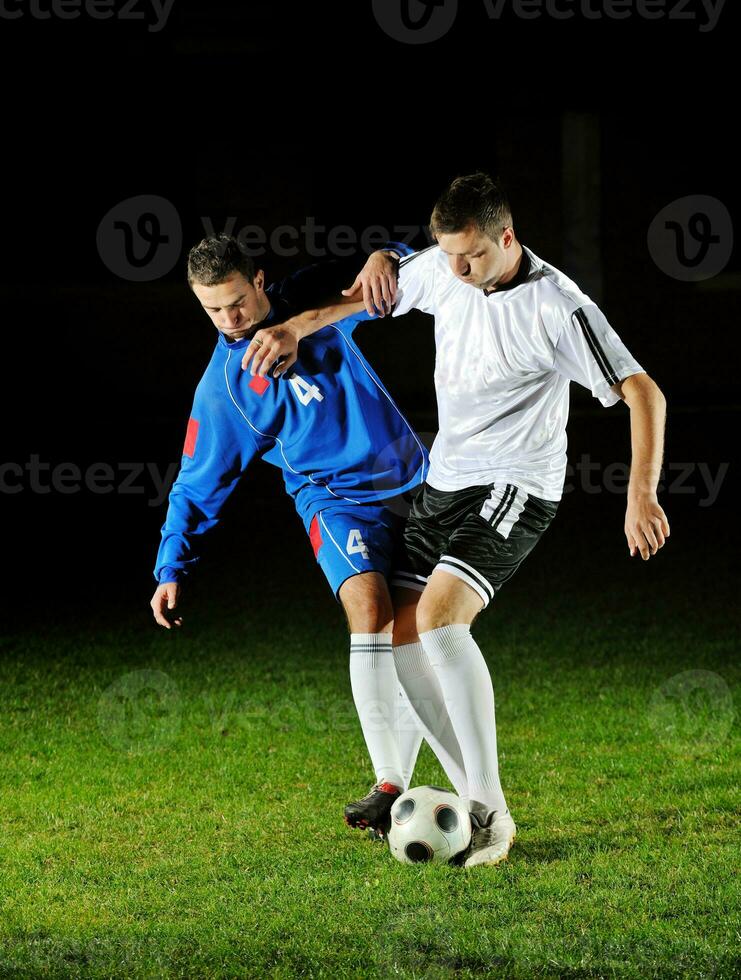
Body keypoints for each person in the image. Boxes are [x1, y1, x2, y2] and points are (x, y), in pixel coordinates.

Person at [254, 173, 670, 868]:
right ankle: (473, 798)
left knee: (442, 619)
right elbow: (365, 297)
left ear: (506, 238)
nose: (454, 270)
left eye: (470, 256)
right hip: (442, 482)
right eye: (445, 254)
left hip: (514, 487)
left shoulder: (557, 307)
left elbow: (641, 390)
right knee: (398, 631)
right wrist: (294, 327)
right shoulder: (446, 271)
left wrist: (641, 494)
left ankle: (490, 812)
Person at [150, 234, 470, 836]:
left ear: (260, 281)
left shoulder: (314, 299)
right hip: (334, 504)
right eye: (213, 310)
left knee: (415, 635)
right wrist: (171, 566)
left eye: (237, 302)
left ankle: (443, 791)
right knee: (368, 609)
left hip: (413, 485)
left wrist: (387, 255)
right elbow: (197, 481)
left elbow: (401, 269)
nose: (230, 319)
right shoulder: (224, 389)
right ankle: (389, 781)